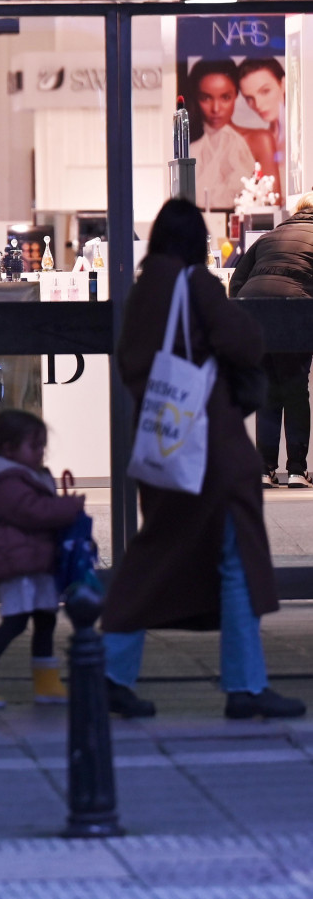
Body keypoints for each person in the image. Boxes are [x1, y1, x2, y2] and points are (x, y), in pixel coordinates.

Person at [102, 198, 305, 720]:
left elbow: (131, 359)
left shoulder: (145, 289)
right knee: (238, 561)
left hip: (165, 442)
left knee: (154, 554)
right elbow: (245, 338)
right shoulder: (193, 285)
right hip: (210, 448)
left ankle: (111, 672)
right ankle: (246, 686)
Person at [0, 408, 85, 708]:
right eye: (35, 446)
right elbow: (33, 513)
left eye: (43, 446)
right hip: (17, 563)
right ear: (8, 448)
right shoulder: (7, 481)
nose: (41, 453)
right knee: (15, 622)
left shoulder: (29, 476)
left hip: (35, 561)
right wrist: (68, 509)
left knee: (45, 619)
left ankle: (47, 683)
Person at [229, 191, 313, 489]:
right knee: (294, 389)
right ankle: (296, 471)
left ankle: (264, 470)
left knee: (267, 389)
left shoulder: (269, 236)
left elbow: (237, 281)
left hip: (255, 311)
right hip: (294, 310)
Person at [187, 59, 276, 210]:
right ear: (196, 98)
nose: (216, 108)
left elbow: (274, 205)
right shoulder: (191, 148)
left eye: (225, 97)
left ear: (236, 95)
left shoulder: (260, 140)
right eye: (206, 98)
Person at [238, 57, 285, 195]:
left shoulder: (304, 137)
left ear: (283, 84)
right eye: (249, 98)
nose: (258, 104)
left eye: (265, 91)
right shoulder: (262, 140)